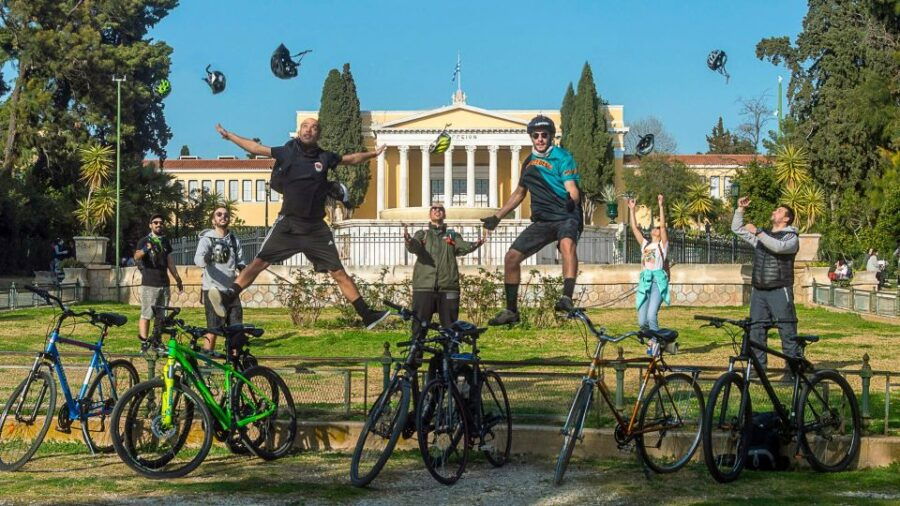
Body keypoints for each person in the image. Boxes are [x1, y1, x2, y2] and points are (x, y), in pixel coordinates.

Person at [210, 119, 389, 329]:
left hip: (316, 229)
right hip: (289, 224)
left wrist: (373, 154)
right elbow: (256, 147)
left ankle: (367, 316)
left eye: (314, 128)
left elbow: (351, 159)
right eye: (305, 126)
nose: (309, 130)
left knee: (339, 272)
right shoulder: (287, 152)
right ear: (299, 131)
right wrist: (229, 135)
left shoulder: (325, 157)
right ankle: (228, 296)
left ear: (318, 134)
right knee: (259, 262)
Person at [479, 115, 582, 325]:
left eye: (545, 135)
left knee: (567, 245)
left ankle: (566, 298)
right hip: (543, 221)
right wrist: (497, 217)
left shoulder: (562, 157)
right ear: (531, 138)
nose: (540, 139)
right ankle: (511, 311)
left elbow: (572, 188)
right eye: (536, 136)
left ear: (551, 137)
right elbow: (519, 193)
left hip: (565, 215)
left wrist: (572, 200)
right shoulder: (528, 162)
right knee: (511, 258)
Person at [731, 197, 799, 372]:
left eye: (778, 211)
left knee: (787, 330)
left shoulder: (791, 237)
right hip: (759, 291)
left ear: (786, 218)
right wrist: (740, 210)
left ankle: (793, 371)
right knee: (756, 331)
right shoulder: (763, 237)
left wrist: (758, 232)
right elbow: (737, 229)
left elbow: (778, 247)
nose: (774, 212)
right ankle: (758, 370)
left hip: (779, 289)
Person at [404, 204, 484, 337]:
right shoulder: (422, 234)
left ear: (444, 214)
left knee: (451, 328)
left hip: (448, 287)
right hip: (424, 287)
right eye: (434, 209)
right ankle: (416, 357)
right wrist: (409, 241)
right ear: (429, 214)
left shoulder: (452, 236)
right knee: (419, 328)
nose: (437, 211)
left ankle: (451, 357)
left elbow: (463, 247)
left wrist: (475, 244)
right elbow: (415, 247)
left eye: (440, 209)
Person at [195, 207, 245, 352]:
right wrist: (209, 256)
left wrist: (244, 270)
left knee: (236, 330)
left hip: (231, 291)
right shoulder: (207, 239)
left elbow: (241, 262)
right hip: (213, 291)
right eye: (219, 214)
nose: (223, 216)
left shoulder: (234, 240)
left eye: (226, 215)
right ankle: (207, 364)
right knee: (213, 329)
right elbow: (198, 260)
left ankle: (234, 366)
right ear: (213, 220)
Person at [134, 214, 183, 341]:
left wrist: (177, 279)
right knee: (146, 314)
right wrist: (146, 249)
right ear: (150, 225)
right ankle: (144, 342)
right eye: (155, 222)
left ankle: (156, 341)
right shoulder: (144, 241)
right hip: (149, 284)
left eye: (161, 222)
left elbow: (170, 262)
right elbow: (136, 256)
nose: (158, 224)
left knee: (161, 316)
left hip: (164, 284)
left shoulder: (165, 241)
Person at [627, 194, 670, 331]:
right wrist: (632, 210)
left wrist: (661, 206)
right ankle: (656, 339)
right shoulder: (645, 245)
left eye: (658, 228)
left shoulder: (662, 246)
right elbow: (634, 229)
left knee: (651, 316)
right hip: (645, 282)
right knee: (642, 322)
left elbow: (663, 227)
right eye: (655, 227)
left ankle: (656, 344)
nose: (656, 228)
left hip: (657, 283)